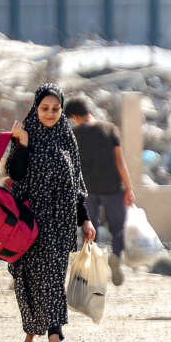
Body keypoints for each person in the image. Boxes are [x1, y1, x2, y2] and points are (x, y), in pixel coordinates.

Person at [6, 84, 96, 342]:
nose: (50, 113)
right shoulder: (25, 133)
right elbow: (16, 173)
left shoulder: (66, 135)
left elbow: (76, 182)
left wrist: (86, 219)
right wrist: (21, 144)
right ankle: (31, 331)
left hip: (61, 221)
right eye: (45, 108)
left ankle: (55, 335)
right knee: (27, 277)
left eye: (56, 109)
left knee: (54, 276)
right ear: (36, 108)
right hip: (29, 220)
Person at [64, 97, 135, 287]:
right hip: (112, 187)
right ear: (89, 112)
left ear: (74, 117)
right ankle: (116, 257)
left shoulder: (74, 133)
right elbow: (120, 161)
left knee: (89, 228)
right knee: (117, 228)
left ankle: (90, 268)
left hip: (87, 189)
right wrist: (128, 188)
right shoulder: (110, 129)